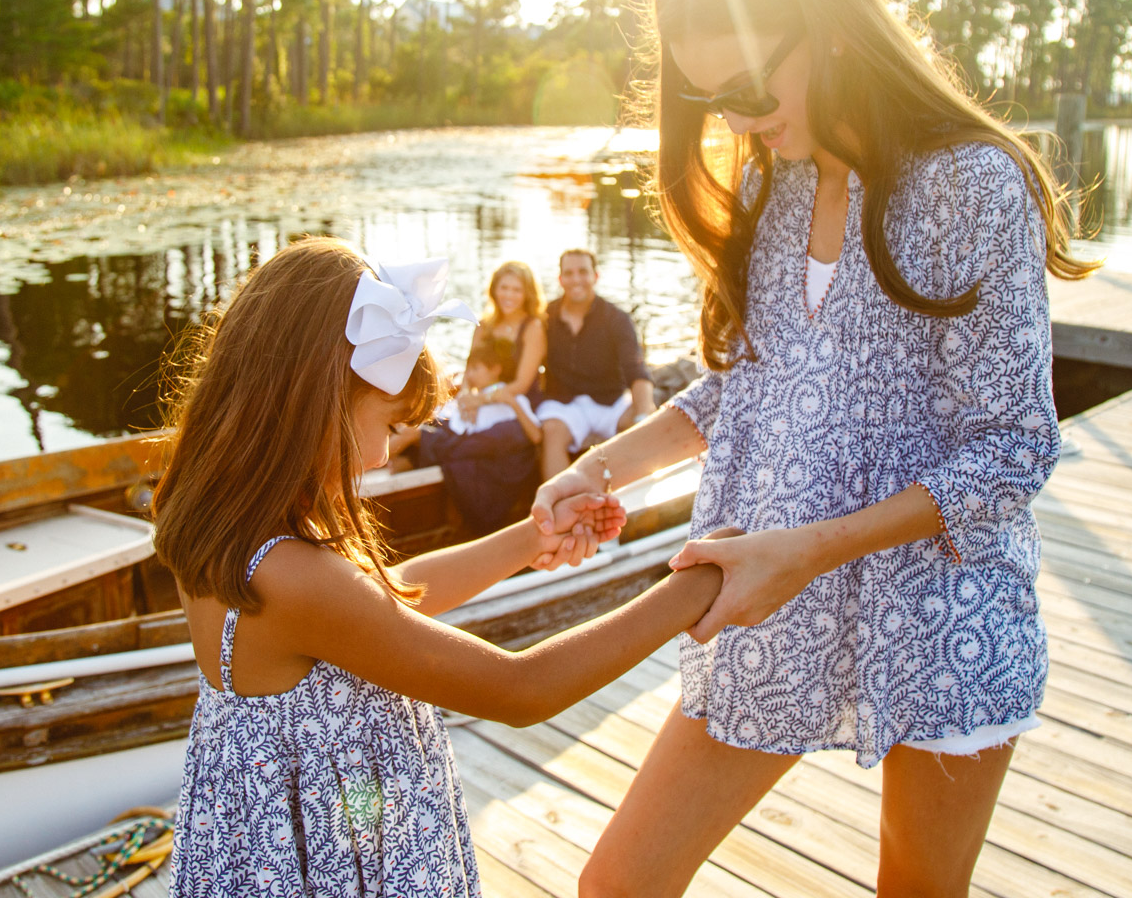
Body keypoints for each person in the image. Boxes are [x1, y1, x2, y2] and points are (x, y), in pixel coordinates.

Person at [533, 0, 1098, 898]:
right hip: (767, 598)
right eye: (714, 99)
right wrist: (602, 464)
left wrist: (808, 549)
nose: (740, 121)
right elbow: (751, 383)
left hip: (941, 614)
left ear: (830, 29)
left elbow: (1010, 452)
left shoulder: (973, 184)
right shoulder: (777, 187)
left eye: (750, 87)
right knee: (617, 885)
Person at [150, 238, 728, 897]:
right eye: (389, 425)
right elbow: (521, 690)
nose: (379, 455)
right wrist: (697, 584)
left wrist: (531, 538)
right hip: (347, 856)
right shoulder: (290, 578)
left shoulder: (231, 525)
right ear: (316, 402)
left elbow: (384, 601)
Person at [395, 339, 545, 534]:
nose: (470, 375)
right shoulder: (470, 399)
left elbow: (535, 436)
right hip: (462, 439)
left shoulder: (511, 397)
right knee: (413, 428)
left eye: (476, 369)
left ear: (495, 369)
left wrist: (511, 403)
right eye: (469, 369)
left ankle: (396, 456)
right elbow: (450, 418)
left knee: (414, 435)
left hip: (488, 445)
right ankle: (398, 457)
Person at [534, 248, 656, 479]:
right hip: (563, 404)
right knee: (551, 432)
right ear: (560, 280)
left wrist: (644, 414)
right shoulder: (545, 316)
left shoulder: (617, 318)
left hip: (609, 402)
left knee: (642, 422)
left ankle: (631, 503)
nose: (576, 279)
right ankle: (558, 506)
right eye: (569, 273)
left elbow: (636, 370)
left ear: (595, 276)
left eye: (583, 272)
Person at [454, 260, 547, 421]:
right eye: (504, 288)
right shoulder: (483, 325)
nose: (509, 295)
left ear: (527, 294)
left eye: (517, 290)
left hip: (517, 403)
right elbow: (469, 371)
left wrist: (480, 400)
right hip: (482, 398)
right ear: (494, 289)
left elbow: (521, 384)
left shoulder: (533, 328)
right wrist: (465, 396)